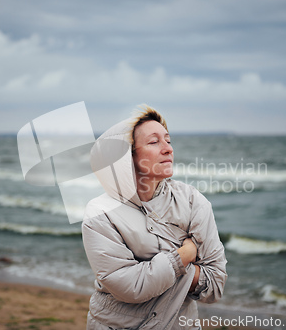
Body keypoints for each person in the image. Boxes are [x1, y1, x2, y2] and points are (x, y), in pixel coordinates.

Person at [82, 106, 227, 330]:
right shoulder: (99, 212)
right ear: (126, 156)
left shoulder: (193, 201)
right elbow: (130, 286)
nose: (168, 149)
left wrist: (151, 268)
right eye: (154, 142)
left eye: (168, 140)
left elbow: (215, 285)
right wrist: (183, 255)